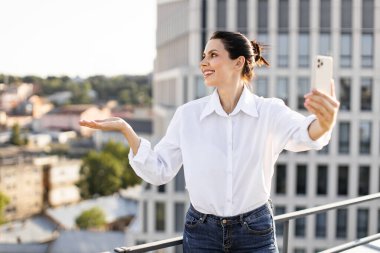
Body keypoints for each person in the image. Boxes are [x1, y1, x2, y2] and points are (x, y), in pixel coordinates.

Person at [79, 31, 340, 252]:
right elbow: (159, 170)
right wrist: (126, 130)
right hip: (201, 231)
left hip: (255, 231)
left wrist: (324, 122)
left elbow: (304, 133)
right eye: (204, 56)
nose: (204, 62)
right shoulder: (188, 115)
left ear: (238, 63)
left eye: (213, 55)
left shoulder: (269, 111)